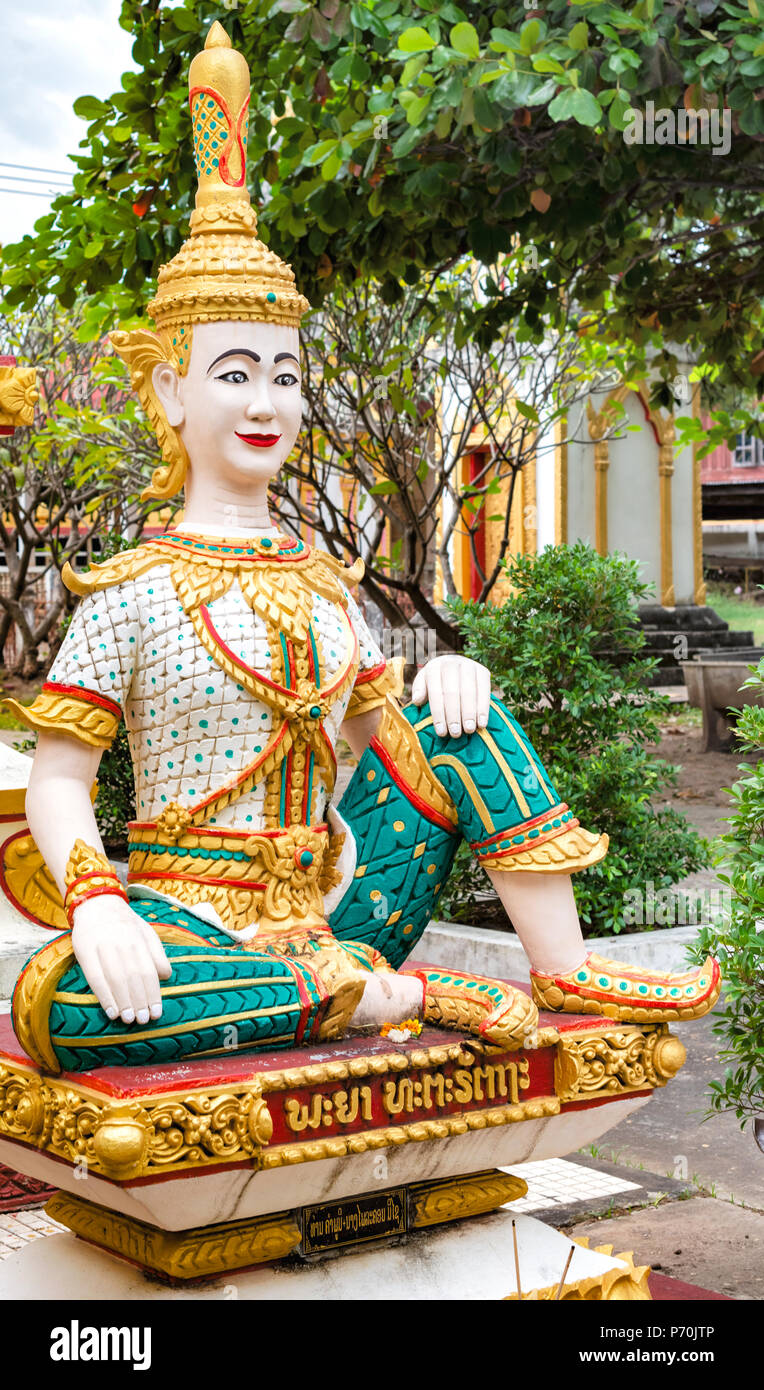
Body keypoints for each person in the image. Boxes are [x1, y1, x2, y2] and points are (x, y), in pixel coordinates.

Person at [7, 24, 719, 1075]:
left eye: (287, 377)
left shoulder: (319, 582)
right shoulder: (131, 588)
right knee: (62, 999)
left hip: (339, 905)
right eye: (236, 372)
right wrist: (101, 904)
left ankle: (557, 964)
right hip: (188, 924)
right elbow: (61, 780)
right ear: (169, 388)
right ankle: (396, 995)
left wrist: (450, 676)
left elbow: (391, 737)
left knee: (460, 707)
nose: (267, 402)